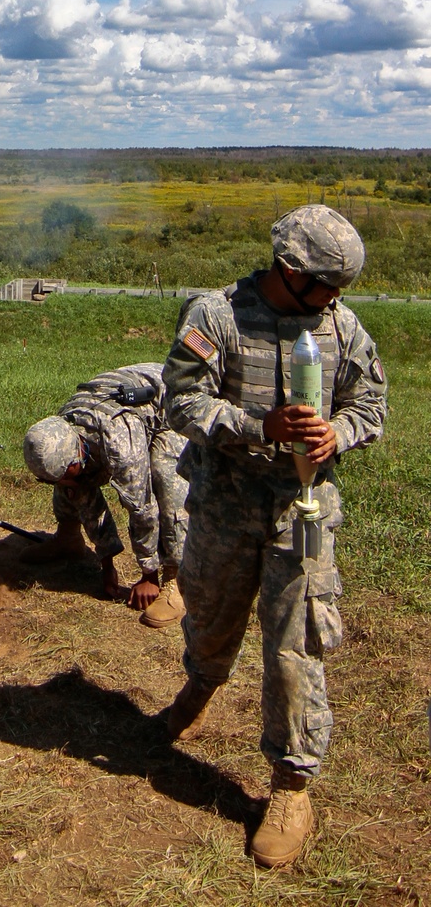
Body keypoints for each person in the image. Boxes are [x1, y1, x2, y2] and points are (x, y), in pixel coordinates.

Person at [162, 204, 387, 869]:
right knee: (208, 611)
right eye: (326, 285)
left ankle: (291, 784)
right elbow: (181, 403)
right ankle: (202, 684)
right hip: (227, 502)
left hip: (302, 509)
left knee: (296, 645)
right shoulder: (217, 316)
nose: (336, 299)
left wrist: (335, 432)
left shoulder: (340, 326)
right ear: (289, 271)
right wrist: (262, 427)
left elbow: (369, 406)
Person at [22, 363, 188, 629]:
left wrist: (148, 573)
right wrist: (106, 559)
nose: (64, 482)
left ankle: (177, 580)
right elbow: (81, 490)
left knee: (165, 477)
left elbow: (141, 507)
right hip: (118, 412)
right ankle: (68, 539)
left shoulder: (118, 441)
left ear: (78, 454)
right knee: (73, 483)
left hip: (169, 405)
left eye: (67, 471)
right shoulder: (57, 433)